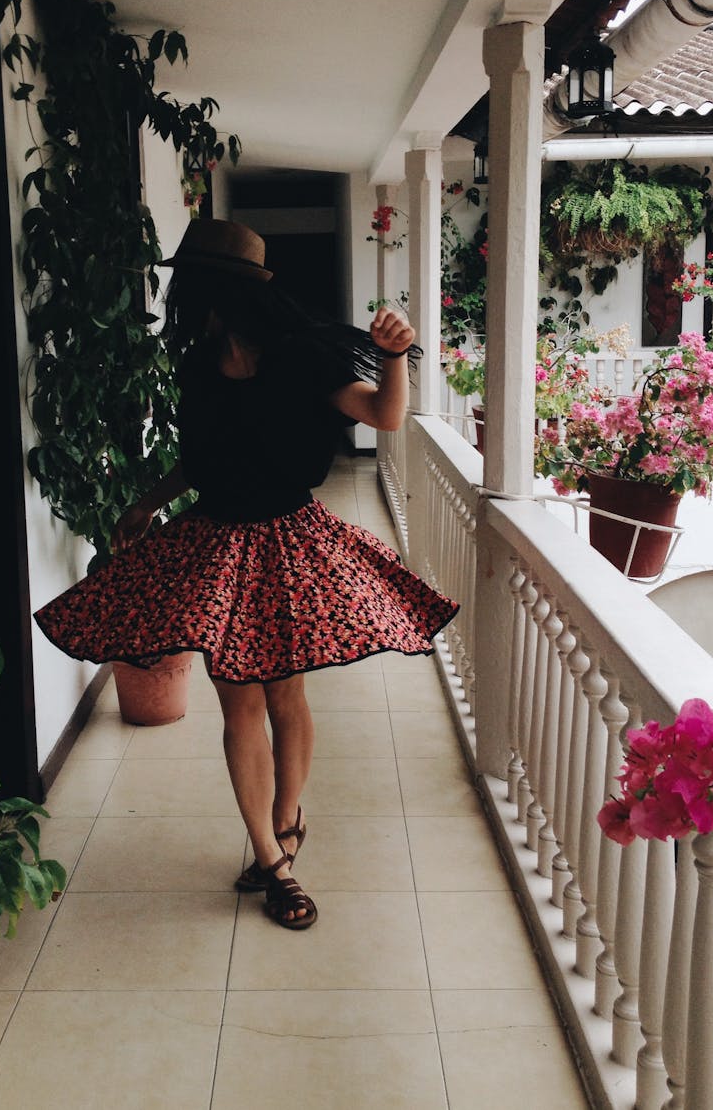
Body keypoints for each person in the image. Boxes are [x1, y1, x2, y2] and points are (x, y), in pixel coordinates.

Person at [35, 219, 458, 931]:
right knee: (240, 707)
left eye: (192, 282)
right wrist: (145, 502)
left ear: (220, 288)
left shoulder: (302, 357)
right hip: (216, 544)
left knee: (284, 696)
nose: (181, 295)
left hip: (289, 541)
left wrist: (394, 354)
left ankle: (284, 826)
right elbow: (199, 460)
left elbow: (385, 416)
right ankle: (272, 861)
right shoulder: (199, 366)